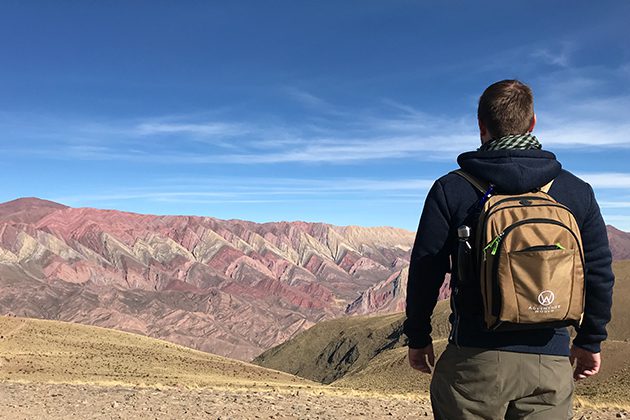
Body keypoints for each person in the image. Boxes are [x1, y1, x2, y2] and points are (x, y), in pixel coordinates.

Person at [403, 79, 614, 419]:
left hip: (473, 360)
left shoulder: (452, 189)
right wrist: (590, 341)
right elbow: (599, 273)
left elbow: (425, 271)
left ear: (481, 126)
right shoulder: (575, 191)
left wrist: (418, 336)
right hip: (551, 361)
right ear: (532, 123)